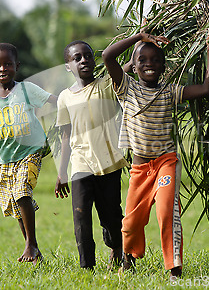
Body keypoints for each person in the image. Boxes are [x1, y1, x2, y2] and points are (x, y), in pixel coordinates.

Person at [102, 32, 209, 279]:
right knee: (130, 223)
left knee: (166, 212)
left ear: (164, 66)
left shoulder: (170, 91)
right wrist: (139, 36)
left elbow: (206, 88)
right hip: (140, 170)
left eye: (155, 60)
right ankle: (128, 256)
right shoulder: (125, 87)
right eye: (142, 60)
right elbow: (107, 56)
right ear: (134, 65)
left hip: (166, 163)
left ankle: (174, 267)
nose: (149, 64)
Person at [0, 42, 57, 264]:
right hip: (6, 159)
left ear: (17, 65)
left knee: (22, 192)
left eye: (8, 64)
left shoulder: (26, 90)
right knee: (16, 206)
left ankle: (31, 244)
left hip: (32, 151)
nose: (2, 69)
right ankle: (33, 250)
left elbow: (54, 102)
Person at [55, 40, 129, 271]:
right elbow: (65, 137)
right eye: (77, 58)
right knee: (81, 215)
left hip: (109, 162)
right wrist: (61, 173)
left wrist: (142, 36)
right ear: (68, 66)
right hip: (80, 163)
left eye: (88, 56)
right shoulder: (64, 97)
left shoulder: (106, 85)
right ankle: (87, 267)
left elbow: (129, 64)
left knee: (111, 216)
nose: (84, 60)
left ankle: (116, 248)